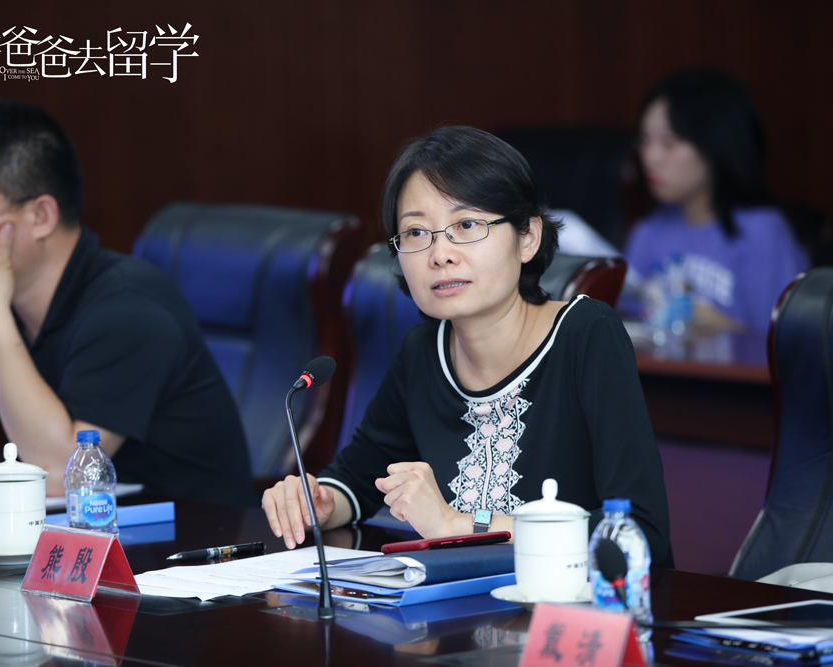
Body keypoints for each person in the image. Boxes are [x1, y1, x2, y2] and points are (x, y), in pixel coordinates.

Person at [263, 126, 673, 567]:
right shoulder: (423, 352)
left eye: (466, 225)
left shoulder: (586, 333)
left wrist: (457, 524)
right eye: (416, 232)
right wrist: (321, 503)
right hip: (459, 606)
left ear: (527, 237)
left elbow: (637, 532)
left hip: (575, 605)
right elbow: (358, 478)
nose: (440, 254)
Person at [0, 99, 254, 504]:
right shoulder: (10, 309)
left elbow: (65, 474)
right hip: (99, 536)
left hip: (195, 536)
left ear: (41, 216)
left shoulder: (128, 308)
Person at [623, 69, 810, 334]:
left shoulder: (762, 233)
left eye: (669, 143)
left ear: (714, 145)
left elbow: (783, 344)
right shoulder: (648, 232)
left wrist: (714, 324)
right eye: (645, 140)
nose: (650, 157)